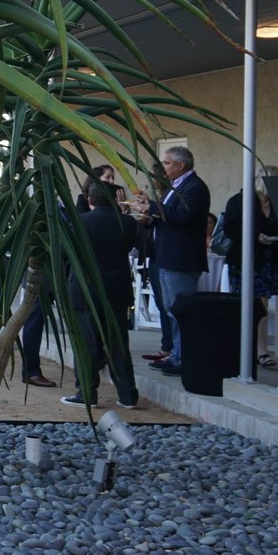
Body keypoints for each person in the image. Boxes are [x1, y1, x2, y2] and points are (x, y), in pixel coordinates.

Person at [62, 181, 141, 408]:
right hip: (117, 289)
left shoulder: (80, 223)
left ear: (91, 200)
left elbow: (68, 255)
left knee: (86, 345)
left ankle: (87, 393)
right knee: (118, 345)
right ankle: (127, 395)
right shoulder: (127, 223)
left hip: (84, 290)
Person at [134, 146, 210, 377]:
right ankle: (176, 355)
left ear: (181, 165)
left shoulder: (195, 187)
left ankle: (184, 358)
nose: (163, 167)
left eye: (167, 163)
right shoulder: (175, 187)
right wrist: (149, 217)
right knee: (171, 309)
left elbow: (183, 215)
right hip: (165, 256)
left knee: (181, 310)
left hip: (181, 259)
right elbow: (167, 217)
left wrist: (153, 207)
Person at [223, 171, 278, 366]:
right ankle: (242, 348)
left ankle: (261, 350)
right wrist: (256, 236)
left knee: (262, 305)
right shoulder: (241, 200)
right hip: (244, 259)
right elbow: (230, 228)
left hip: (268, 260)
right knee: (244, 304)